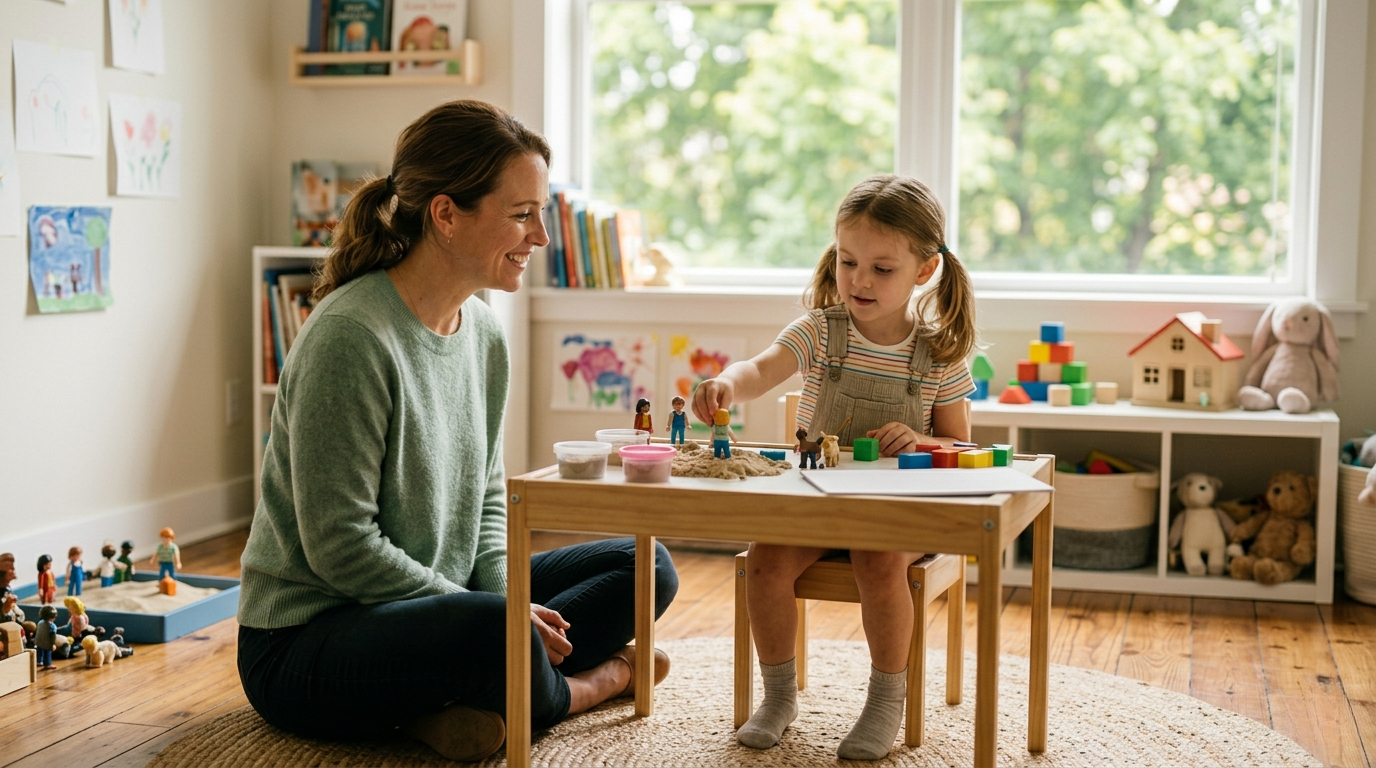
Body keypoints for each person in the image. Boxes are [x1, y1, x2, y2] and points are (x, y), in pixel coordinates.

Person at [236, 100, 678, 763]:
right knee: (496, 629)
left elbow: (489, 505)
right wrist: (502, 620)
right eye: (522, 214)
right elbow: (340, 546)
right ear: (445, 214)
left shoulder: (484, 335)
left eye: (542, 215)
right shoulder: (350, 337)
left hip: (434, 609)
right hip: (303, 643)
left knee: (645, 567)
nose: (541, 237)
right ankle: (597, 682)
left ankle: (448, 704)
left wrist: (509, 607)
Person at [692, 174, 976, 760]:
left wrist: (917, 438)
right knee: (766, 564)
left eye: (882, 267)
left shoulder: (939, 353)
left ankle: (884, 702)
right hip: (818, 503)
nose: (859, 280)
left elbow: (959, 448)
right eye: (848, 261)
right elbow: (762, 368)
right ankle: (777, 696)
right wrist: (725, 383)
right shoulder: (822, 331)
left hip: (899, 514)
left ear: (924, 271)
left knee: (877, 560)